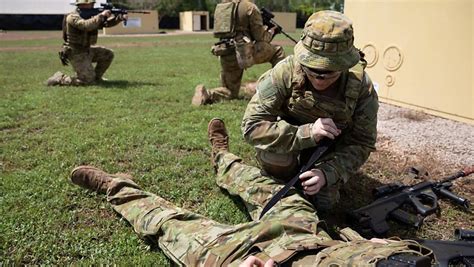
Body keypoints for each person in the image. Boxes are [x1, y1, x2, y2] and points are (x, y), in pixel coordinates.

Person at [70, 118, 433, 266]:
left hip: (252, 257)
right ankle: (222, 158)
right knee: (273, 190)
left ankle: (115, 186)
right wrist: (388, 248)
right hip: (312, 239)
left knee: (170, 224)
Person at [241, 10, 379, 211]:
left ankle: (314, 177)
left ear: (346, 63)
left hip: (331, 151)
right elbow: (251, 127)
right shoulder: (285, 72)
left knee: (325, 201)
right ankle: (288, 176)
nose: (319, 77)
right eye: (312, 68)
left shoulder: (360, 86)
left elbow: (362, 142)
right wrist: (306, 133)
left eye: (329, 70)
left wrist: (328, 173)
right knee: (275, 160)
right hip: (290, 140)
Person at [191, 0, 286, 106]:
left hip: (225, 50)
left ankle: (207, 94)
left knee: (230, 92)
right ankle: (281, 88)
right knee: (278, 51)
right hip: (244, 52)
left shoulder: (223, 5)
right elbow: (260, 37)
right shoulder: (250, 7)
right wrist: (272, 31)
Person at [46, 0, 127, 86]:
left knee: (108, 54)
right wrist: (101, 15)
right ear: (82, 5)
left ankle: (96, 78)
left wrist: (119, 18)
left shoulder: (91, 16)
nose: (93, 5)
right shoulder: (72, 16)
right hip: (76, 52)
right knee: (87, 81)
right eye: (91, 4)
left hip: (87, 49)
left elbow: (105, 24)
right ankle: (60, 78)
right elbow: (85, 25)